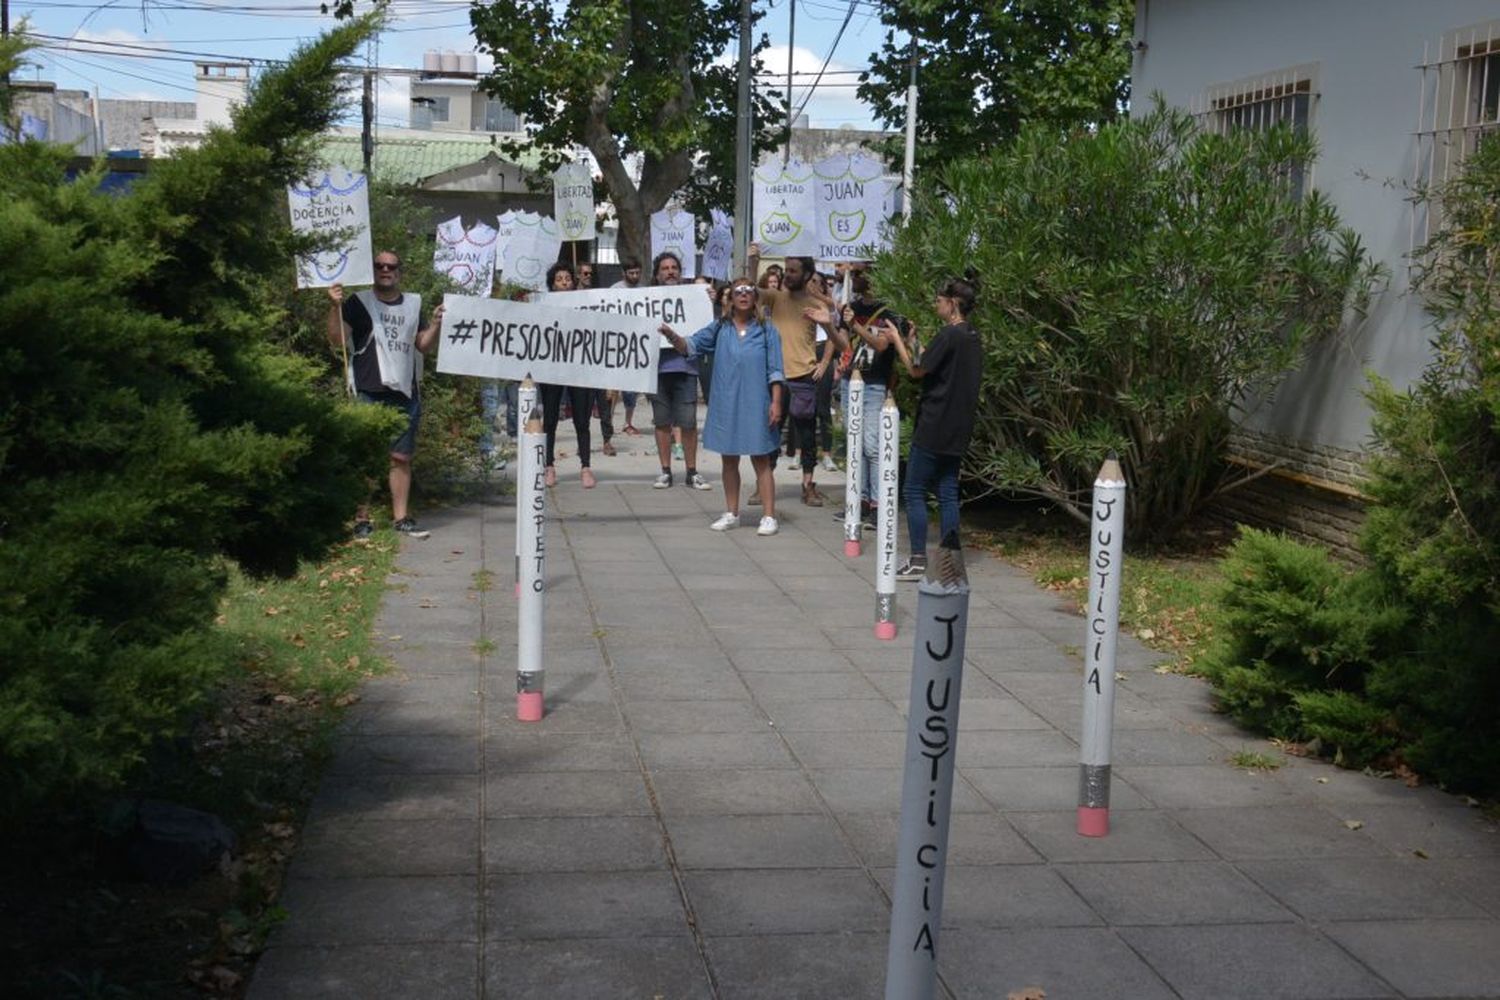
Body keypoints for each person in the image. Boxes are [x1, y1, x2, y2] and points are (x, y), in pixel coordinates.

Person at [325, 250, 444, 539]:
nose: (385, 270)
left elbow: (423, 345)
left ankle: (400, 517)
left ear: (399, 272)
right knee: (366, 457)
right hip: (368, 388)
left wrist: (437, 323)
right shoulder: (357, 302)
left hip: (405, 391)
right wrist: (334, 307)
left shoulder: (414, 304)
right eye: (379, 266)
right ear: (373, 271)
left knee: (401, 457)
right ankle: (361, 518)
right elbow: (338, 339)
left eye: (391, 266)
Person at [659, 280, 784, 536]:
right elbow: (690, 345)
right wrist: (671, 335)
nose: (743, 295)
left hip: (756, 402)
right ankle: (731, 513)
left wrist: (776, 401)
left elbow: (776, 369)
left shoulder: (766, 329)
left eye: (749, 291)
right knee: (729, 459)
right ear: (730, 299)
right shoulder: (720, 328)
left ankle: (769, 516)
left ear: (755, 298)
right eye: (738, 291)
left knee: (761, 459)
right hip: (727, 401)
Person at [889, 271, 984, 581]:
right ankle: (951, 558)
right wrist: (913, 340)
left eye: (939, 301)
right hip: (959, 426)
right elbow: (931, 362)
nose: (935, 306)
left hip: (934, 424)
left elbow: (917, 370)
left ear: (953, 304)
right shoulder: (971, 336)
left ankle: (918, 557)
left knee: (914, 489)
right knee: (947, 491)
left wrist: (897, 342)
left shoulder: (949, 335)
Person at [747, 243, 849, 508]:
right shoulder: (775, 297)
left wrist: (825, 360)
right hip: (774, 377)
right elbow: (750, 291)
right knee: (768, 433)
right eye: (786, 270)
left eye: (792, 271)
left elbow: (840, 344)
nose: (787, 274)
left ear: (806, 275)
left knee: (806, 435)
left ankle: (808, 485)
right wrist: (752, 261)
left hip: (804, 377)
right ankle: (762, 485)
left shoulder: (817, 304)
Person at [648, 251, 712, 491]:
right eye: (664, 268)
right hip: (656, 369)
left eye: (674, 267)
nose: (670, 271)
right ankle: (665, 471)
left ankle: (692, 472)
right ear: (657, 274)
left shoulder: (694, 298)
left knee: (688, 423)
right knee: (662, 422)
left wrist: (709, 300)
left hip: (685, 369)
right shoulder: (646, 299)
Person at [538, 262, 599, 488]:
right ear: (552, 285)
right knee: (550, 419)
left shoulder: (584, 303)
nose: (564, 282)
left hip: (579, 369)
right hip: (552, 369)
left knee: (582, 420)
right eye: (559, 279)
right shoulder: (543, 305)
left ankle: (585, 466)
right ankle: (549, 466)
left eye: (567, 279)